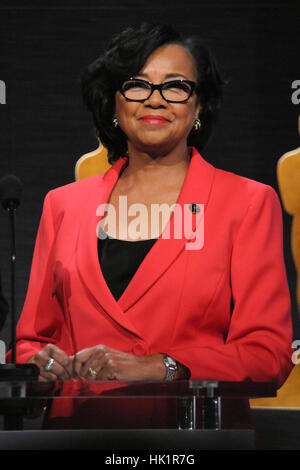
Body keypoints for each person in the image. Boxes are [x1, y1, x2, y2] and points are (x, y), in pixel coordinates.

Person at [7, 23, 293, 428]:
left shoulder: (246, 203)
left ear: (199, 107)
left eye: (176, 87)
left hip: (190, 437)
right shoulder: (63, 205)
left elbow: (267, 355)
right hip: (78, 435)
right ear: (113, 103)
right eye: (138, 85)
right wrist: (37, 366)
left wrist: (163, 366)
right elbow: (30, 342)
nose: (155, 100)